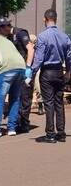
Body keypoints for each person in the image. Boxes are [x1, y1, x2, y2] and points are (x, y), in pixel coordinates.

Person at [32, 9, 71, 143]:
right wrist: (68, 72)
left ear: (45, 19)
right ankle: (61, 133)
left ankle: (50, 134)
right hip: (59, 71)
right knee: (59, 102)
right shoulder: (64, 36)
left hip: (47, 72)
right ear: (56, 19)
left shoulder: (43, 36)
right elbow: (69, 57)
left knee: (49, 103)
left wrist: (31, 73)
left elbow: (39, 58)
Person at [0, 18, 35, 133]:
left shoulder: (20, 33)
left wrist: (28, 68)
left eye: (1, 29)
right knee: (15, 97)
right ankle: (16, 122)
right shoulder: (6, 37)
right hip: (13, 70)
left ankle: (23, 123)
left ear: (6, 27)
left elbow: (31, 49)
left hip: (24, 69)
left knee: (25, 97)